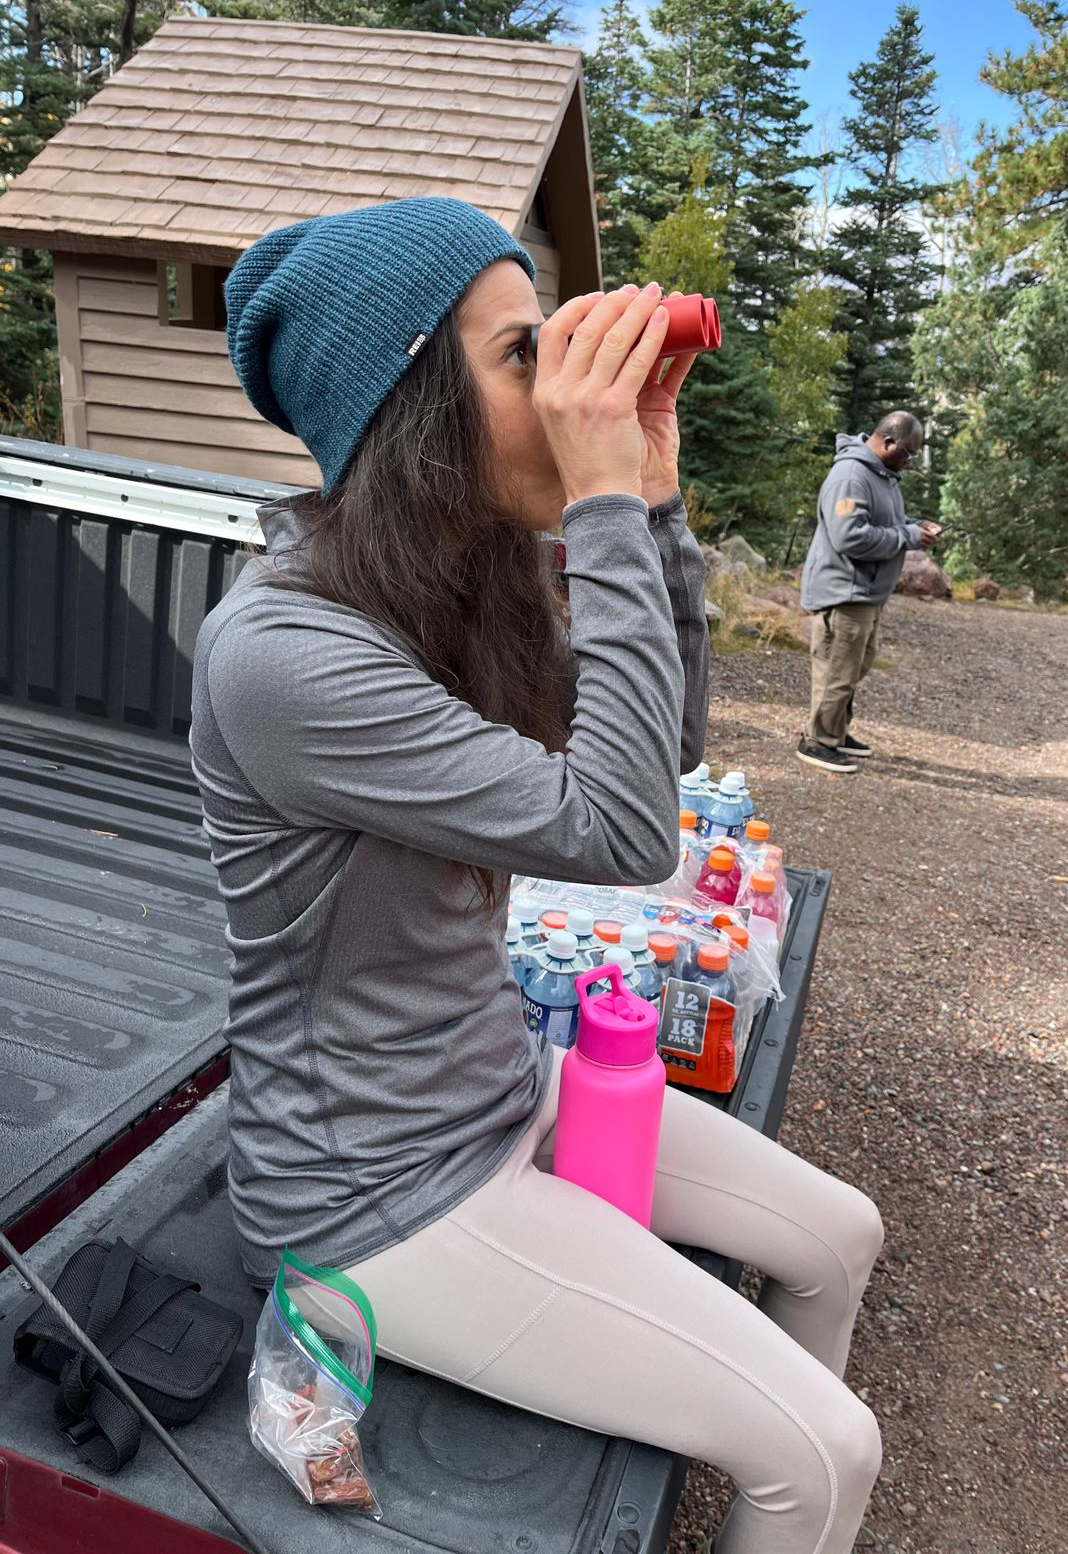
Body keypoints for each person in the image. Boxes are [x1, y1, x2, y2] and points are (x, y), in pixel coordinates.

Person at [190, 197, 883, 1554]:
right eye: (526, 354)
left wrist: (654, 503)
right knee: (825, 1451)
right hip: (371, 1195)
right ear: (411, 409)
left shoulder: (440, 592)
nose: (574, 383)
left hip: (499, 1085)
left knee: (841, 1234)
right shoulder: (281, 654)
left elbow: (660, 752)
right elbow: (624, 834)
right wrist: (605, 500)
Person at [798, 411, 941, 772]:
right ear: (888, 442)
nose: (910, 461)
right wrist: (908, 536)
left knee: (853, 667)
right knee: (837, 671)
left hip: (866, 593)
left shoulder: (882, 475)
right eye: (908, 453)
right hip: (844, 592)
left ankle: (834, 731)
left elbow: (881, 523)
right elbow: (849, 537)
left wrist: (914, 526)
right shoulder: (851, 475)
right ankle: (817, 741)